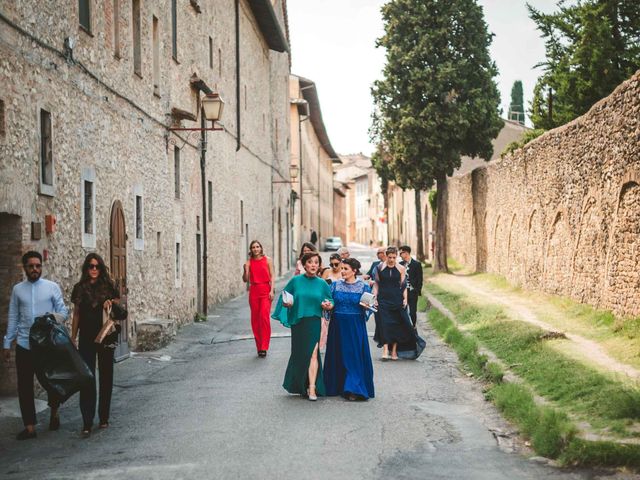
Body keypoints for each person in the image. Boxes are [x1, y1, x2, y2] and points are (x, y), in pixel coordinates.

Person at [3, 251, 68, 440]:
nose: (35, 269)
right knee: (24, 386)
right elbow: (13, 317)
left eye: (38, 266)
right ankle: (30, 426)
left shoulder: (51, 287)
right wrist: (7, 343)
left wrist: (52, 320)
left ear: (41, 266)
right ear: (25, 268)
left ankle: (54, 411)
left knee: (51, 380)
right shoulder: (18, 290)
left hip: (47, 344)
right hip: (24, 344)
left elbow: (63, 311)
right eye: (31, 266)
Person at [272, 252, 333, 401]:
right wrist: (287, 303)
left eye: (316, 262)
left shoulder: (322, 283)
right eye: (310, 262)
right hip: (299, 323)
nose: (313, 265)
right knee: (300, 354)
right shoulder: (296, 281)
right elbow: (284, 296)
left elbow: (330, 300)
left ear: (319, 266)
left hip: (313, 322)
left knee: (313, 353)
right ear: (304, 264)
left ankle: (312, 388)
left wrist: (328, 305)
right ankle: (300, 384)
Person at [71, 253, 120, 438]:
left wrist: (111, 303)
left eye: (97, 266)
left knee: (106, 376)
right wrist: (73, 337)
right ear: (86, 268)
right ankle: (87, 421)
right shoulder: (79, 288)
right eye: (90, 266)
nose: (94, 269)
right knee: (87, 378)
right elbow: (76, 314)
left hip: (106, 336)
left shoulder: (108, 286)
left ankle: (104, 417)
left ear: (101, 268)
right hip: (86, 337)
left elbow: (118, 304)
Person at [324, 258, 375, 401]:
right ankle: (336, 386)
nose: (342, 271)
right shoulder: (334, 286)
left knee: (353, 356)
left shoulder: (364, 287)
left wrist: (367, 307)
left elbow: (370, 308)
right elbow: (330, 303)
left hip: (355, 325)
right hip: (337, 326)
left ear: (354, 270)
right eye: (342, 269)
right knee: (338, 354)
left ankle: (354, 388)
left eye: (346, 269)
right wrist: (328, 306)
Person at [372, 247, 424, 361]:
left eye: (394, 257)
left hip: (397, 300)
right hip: (383, 299)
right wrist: (374, 298)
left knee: (396, 325)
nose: (391, 260)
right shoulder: (379, 268)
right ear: (386, 256)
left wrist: (405, 299)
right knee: (384, 324)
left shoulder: (401, 268)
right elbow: (376, 284)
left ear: (396, 256)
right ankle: (385, 349)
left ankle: (394, 350)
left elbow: (403, 286)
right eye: (389, 257)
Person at [243, 240, 275, 358]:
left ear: (261, 248)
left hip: (266, 290)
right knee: (255, 320)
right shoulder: (248, 262)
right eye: (253, 247)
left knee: (264, 317)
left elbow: (272, 276)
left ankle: (264, 346)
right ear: (251, 250)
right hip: (254, 291)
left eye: (257, 247)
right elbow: (245, 279)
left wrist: (272, 290)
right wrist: (246, 270)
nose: (256, 249)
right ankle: (259, 347)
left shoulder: (268, 260)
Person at [399, 245, 424, 328]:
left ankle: (413, 326)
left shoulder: (416, 264)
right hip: (402, 292)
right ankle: (404, 328)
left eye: (401, 253)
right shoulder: (400, 264)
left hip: (412, 292)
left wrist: (417, 290)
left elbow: (420, 279)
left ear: (406, 253)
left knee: (412, 312)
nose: (400, 255)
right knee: (402, 311)